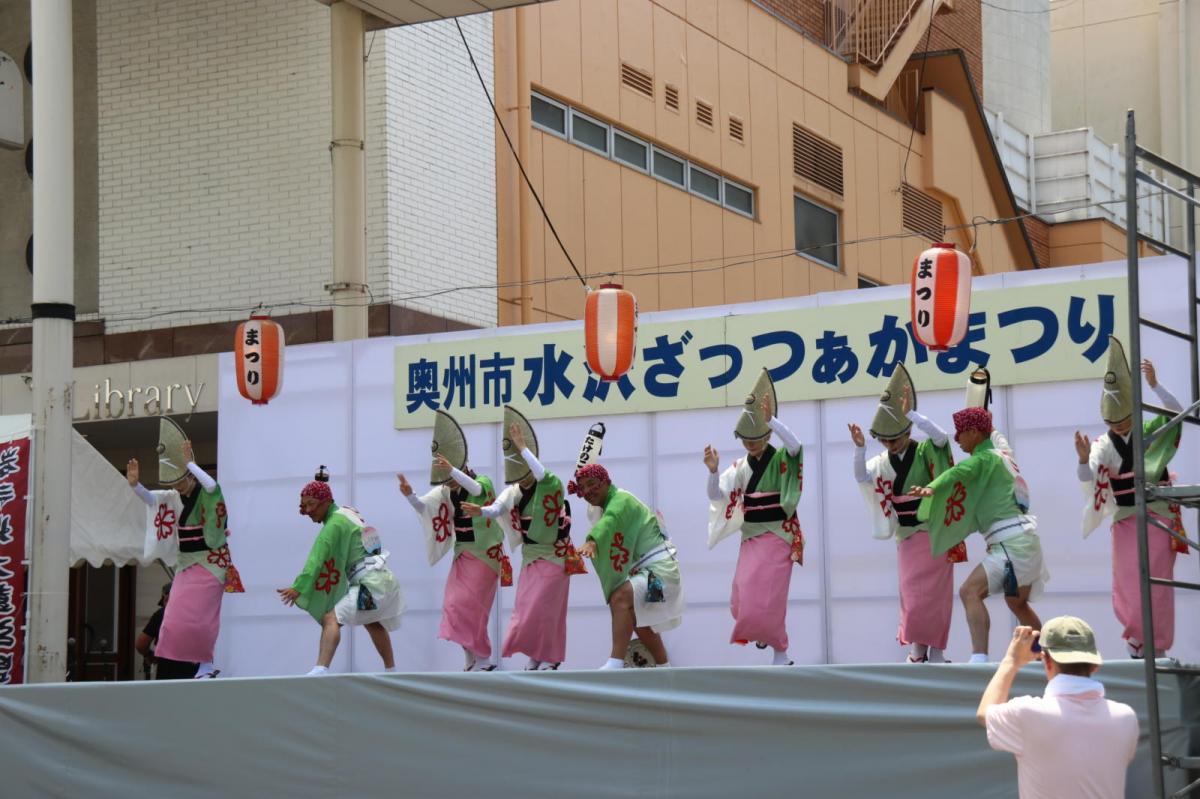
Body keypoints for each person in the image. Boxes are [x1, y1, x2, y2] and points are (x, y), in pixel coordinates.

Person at [912, 380, 1048, 662]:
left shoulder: (983, 459)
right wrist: (984, 417)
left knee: (969, 591)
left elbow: (957, 472)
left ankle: (979, 660)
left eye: (961, 433)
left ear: (975, 432)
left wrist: (932, 487)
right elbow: (994, 433)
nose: (957, 439)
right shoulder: (1003, 453)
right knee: (1017, 602)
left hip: (1011, 545)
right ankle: (1045, 657)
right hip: (1023, 541)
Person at [1076, 338, 1188, 658]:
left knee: (1157, 585)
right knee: (1128, 586)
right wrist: (1084, 461)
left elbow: (1177, 415)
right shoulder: (1103, 444)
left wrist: (1155, 385)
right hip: (1125, 521)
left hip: (1158, 516)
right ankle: (1137, 640)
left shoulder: (1149, 429)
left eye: (1123, 419)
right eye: (1113, 422)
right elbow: (1088, 476)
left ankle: (1158, 647)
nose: (1119, 426)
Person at [850, 363, 961, 663]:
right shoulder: (882, 462)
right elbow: (862, 478)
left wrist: (912, 413)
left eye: (895, 438)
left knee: (937, 597)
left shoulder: (925, 451)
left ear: (908, 430)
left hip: (934, 532)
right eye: (885, 440)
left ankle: (936, 652)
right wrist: (860, 450)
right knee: (912, 596)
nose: (890, 444)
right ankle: (916, 650)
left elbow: (941, 439)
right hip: (907, 536)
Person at [463, 407, 585, 671]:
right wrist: (480, 510)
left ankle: (549, 658)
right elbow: (497, 508)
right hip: (531, 558)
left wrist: (522, 447)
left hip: (555, 556)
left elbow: (544, 475)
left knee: (548, 610)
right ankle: (537, 656)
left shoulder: (547, 484)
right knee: (527, 609)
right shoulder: (514, 491)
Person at [704, 368, 804, 666]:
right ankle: (761, 632)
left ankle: (781, 653)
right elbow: (717, 496)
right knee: (742, 595)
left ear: (768, 434)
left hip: (778, 533)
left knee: (770, 596)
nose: (752, 444)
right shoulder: (739, 466)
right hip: (751, 535)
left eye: (758, 437)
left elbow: (796, 446)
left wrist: (771, 418)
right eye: (747, 439)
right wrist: (711, 471)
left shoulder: (782, 457)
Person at [398, 409, 511, 672]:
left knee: (474, 608)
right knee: (454, 605)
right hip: (463, 554)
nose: (447, 480)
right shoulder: (446, 491)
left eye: (450, 474)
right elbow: (425, 508)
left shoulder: (480, 481)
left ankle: (482, 658)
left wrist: (453, 470)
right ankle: (470, 659)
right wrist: (409, 494)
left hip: (485, 554)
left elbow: (477, 490)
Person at [978, 617, 1138, 799]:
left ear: (1045, 660)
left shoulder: (1027, 713)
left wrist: (1011, 660)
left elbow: (985, 713)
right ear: (1095, 665)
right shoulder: (1127, 718)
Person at [126, 421, 238, 679]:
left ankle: (205, 664)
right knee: (174, 615)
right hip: (187, 562)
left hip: (211, 563)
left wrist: (190, 463)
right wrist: (135, 486)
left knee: (203, 619)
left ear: (190, 476)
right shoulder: (174, 499)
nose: (177, 487)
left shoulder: (206, 493)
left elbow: (212, 486)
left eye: (180, 481)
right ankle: (181, 659)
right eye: (173, 482)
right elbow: (153, 500)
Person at [277, 468, 405, 676]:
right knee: (371, 622)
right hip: (381, 579)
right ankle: (392, 670)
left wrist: (298, 587)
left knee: (331, 619)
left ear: (326, 501)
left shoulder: (333, 525)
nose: (308, 510)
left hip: (369, 583)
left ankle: (320, 669)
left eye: (311, 504)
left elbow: (317, 558)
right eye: (304, 505)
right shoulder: (347, 511)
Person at [574, 463, 684, 669]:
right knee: (635, 616)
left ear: (606, 481)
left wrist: (592, 541)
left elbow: (610, 520)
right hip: (651, 573)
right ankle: (664, 666)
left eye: (592, 484)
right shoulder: (611, 503)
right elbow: (602, 518)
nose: (588, 491)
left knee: (620, 597)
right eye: (583, 488)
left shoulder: (621, 501)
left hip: (660, 572)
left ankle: (615, 662)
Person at [134, 582, 199, 680]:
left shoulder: (161, 614)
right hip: (196, 675)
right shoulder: (198, 613)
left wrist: (149, 655)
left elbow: (141, 644)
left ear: (166, 597)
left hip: (168, 675)